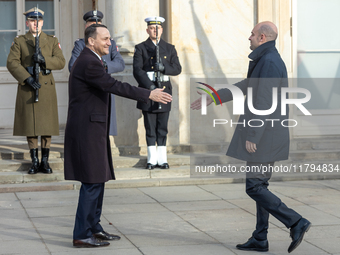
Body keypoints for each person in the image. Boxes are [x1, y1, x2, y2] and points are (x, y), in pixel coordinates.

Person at [191, 21, 311, 253]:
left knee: (254, 187)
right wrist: (214, 96)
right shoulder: (267, 59)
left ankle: (296, 221)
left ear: (263, 37)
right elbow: (247, 86)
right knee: (260, 185)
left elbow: (264, 101)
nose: (249, 37)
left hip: (265, 135)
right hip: (270, 133)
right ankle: (260, 238)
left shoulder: (268, 61)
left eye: (253, 34)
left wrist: (253, 135)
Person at [64, 24, 172, 248]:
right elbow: (113, 85)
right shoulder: (88, 62)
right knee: (92, 182)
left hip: (94, 129)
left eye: (110, 38)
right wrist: (147, 93)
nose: (109, 43)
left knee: (98, 180)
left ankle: (94, 228)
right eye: (104, 39)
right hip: (88, 131)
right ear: (91, 41)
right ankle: (81, 234)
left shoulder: (92, 59)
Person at [6, 7, 65, 175]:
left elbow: (61, 61)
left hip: (45, 87)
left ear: (43, 23)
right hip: (28, 86)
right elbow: (12, 63)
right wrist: (27, 78)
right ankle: (34, 161)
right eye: (32, 21)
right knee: (31, 126)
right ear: (27, 23)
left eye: (38, 21)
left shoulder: (52, 40)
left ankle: (45, 162)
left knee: (47, 126)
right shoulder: (20, 41)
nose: (36, 24)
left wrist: (44, 60)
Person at [133, 16, 182, 170]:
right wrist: (150, 87)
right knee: (150, 127)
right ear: (147, 30)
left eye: (158, 28)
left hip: (165, 92)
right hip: (148, 91)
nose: (155, 30)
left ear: (161, 29)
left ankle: (162, 159)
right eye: (152, 28)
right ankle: (151, 159)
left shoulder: (170, 48)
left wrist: (164, 68)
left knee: (162, 128)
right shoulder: (141, 48)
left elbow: (177, 69)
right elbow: (137, 70)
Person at [68, 10, 124, 136]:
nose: (94, 25)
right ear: (86, 26)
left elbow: (120, 64)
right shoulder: (80, 44)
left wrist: (103, 66)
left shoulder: (110, 43)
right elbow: (72, 66)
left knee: (106, 128)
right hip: (89, 92)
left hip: (106, 86)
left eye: (97, 23)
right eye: (91, 23)